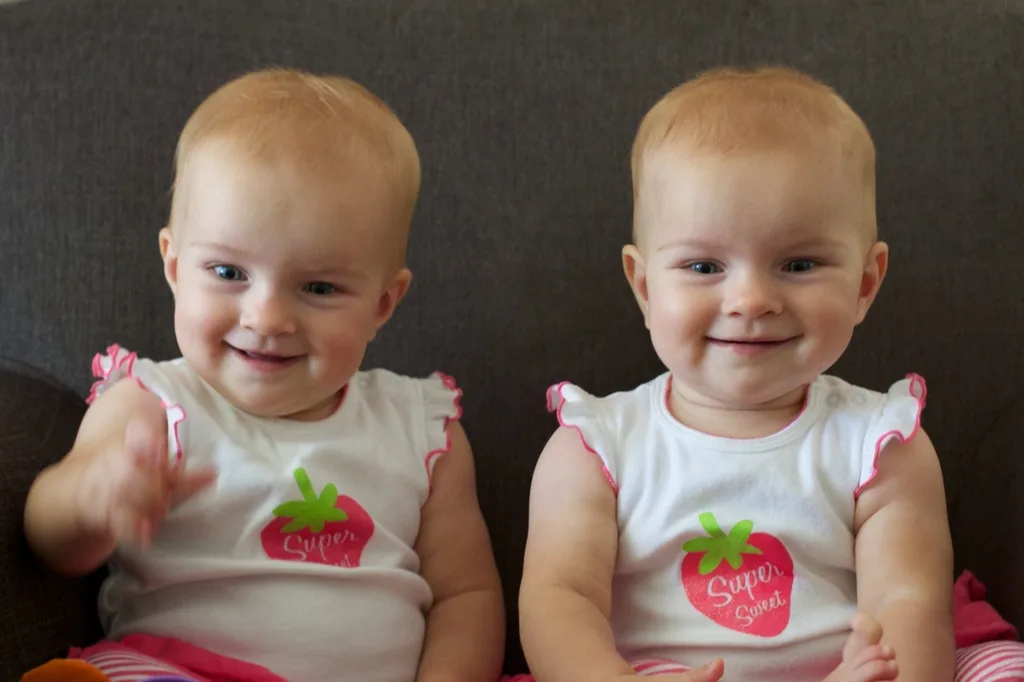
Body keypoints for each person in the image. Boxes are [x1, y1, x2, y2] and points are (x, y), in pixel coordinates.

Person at [22, 68, 504, 682]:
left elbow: (465, 595)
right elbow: (47, 535)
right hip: (173, 671)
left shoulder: (423, 431)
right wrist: (92, 500)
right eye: (228, 273)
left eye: (320, 287)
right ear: (174, 266)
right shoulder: (152, 404)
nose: (267, 317)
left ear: (383, 303)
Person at [519, 66, 986, 682]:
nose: (750, 300)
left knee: (996, 664)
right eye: (705, 266)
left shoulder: (881, 444)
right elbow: (560, 599)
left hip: (842, 672)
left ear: (865, 285)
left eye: (798, 263)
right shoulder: (596, 445)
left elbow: (908, 601)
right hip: (651, 674)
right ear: (644, 286)